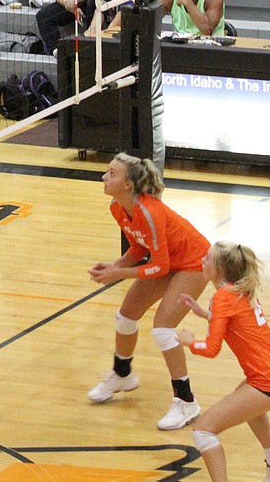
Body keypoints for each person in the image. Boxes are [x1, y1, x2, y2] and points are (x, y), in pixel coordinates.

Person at [87, 152, 210, 431]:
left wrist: (118, 274)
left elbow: (160, 265)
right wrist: (117, 263)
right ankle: (122, 374)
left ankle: (186, 402)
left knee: (163, 328)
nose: (104, 177)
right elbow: (141, 248)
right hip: (169, 261)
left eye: (112, 173)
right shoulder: (118, 208)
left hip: (194, 263)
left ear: (128, 185)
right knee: (126, 316)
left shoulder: (149, 211)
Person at [177, 241, 270, 482]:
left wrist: (189, 342)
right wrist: (205, 314)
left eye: (208, 259)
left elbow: (211, 349)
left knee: (203, 431)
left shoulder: (222, 297)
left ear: (219, 269)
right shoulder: (240, 290)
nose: (203, 261)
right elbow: (235, 321)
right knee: (247, 404)